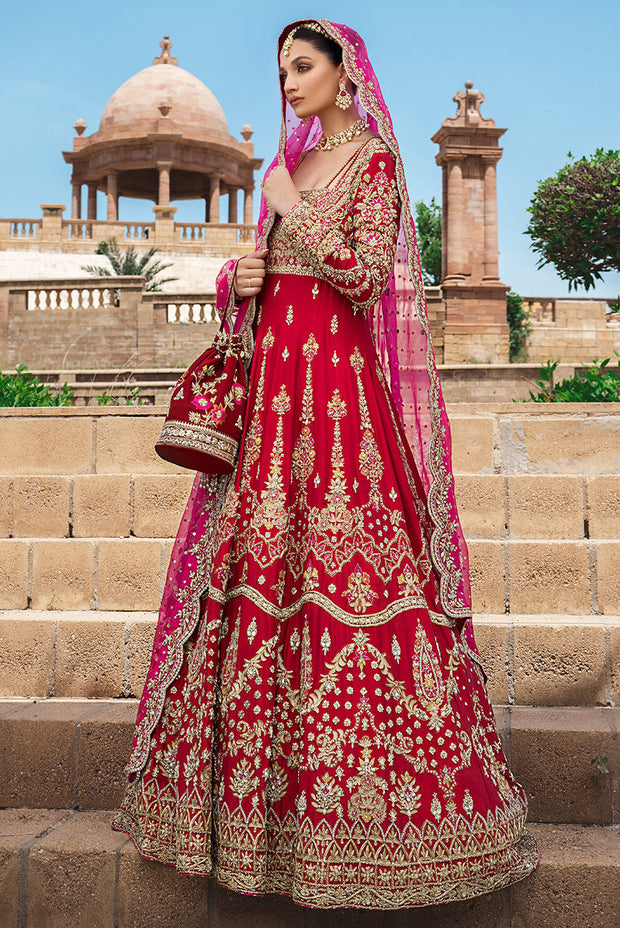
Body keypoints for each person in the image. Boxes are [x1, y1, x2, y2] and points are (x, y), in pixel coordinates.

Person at [112, 19, 540, 909]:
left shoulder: (371, 162)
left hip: (340, 405)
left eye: (304, 67)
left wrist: (290, 210)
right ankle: (241, 826)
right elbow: (280, 278)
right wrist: (245, 277)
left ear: (347, 76)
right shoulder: (290, 166)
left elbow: (364, 273)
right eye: (281, 71)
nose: (290, 83)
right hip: (273, 396)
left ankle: (381, 829)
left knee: (353, 581)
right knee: (250, 578)